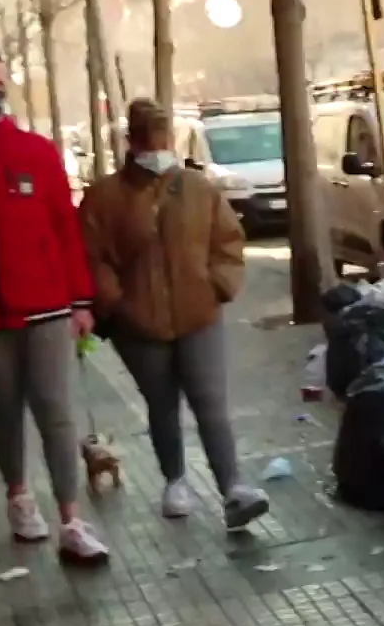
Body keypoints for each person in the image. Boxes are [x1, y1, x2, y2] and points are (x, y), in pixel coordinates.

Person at [0, 42, 108, 561]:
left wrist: (80, 300)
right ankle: (18, 496)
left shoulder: (35, 152)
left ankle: (72, 520)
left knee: (56, 411)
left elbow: (65, 230)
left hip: (48, 307)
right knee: (5, 409)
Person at [79, 99, 269, 530]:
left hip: (198, 314)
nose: (156, 147)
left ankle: (233, 487)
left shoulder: (198, 189)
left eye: (162, 138)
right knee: (161, 404)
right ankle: (175, 481)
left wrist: (217, 285)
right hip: (139, 323)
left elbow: (227, 240)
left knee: (210, 403)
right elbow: (92, 257)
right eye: (148, 139)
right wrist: (116, 301)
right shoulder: (105, 198)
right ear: (131, 141)